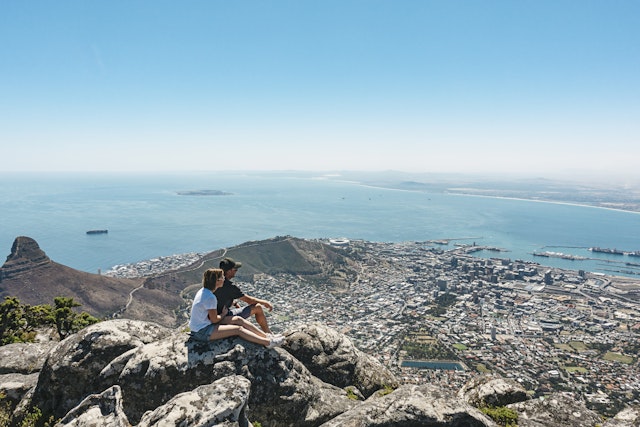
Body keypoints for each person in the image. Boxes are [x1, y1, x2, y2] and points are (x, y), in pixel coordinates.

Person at [188, 268, 284, 348]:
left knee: (238, 319)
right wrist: (223, 314)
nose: (224, 279)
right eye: (222, 277)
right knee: (238, 330)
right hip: (202, 331)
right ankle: (268, 343)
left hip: (201, 326)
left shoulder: (203, 291)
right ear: (217, 281)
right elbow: (214, 320)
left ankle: (267, 336)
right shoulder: (210, 297)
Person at [215, 257, 278, 336]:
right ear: (229, 271)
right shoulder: (230, 286)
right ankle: (268, 334)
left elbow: (221, 298)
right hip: (223, 317)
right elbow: (250, 300)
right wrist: (264, 302)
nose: (236, 271)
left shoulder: (214, 281)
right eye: (235, 269)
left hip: (214, 317)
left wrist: (234, 303)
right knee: (258, 307)